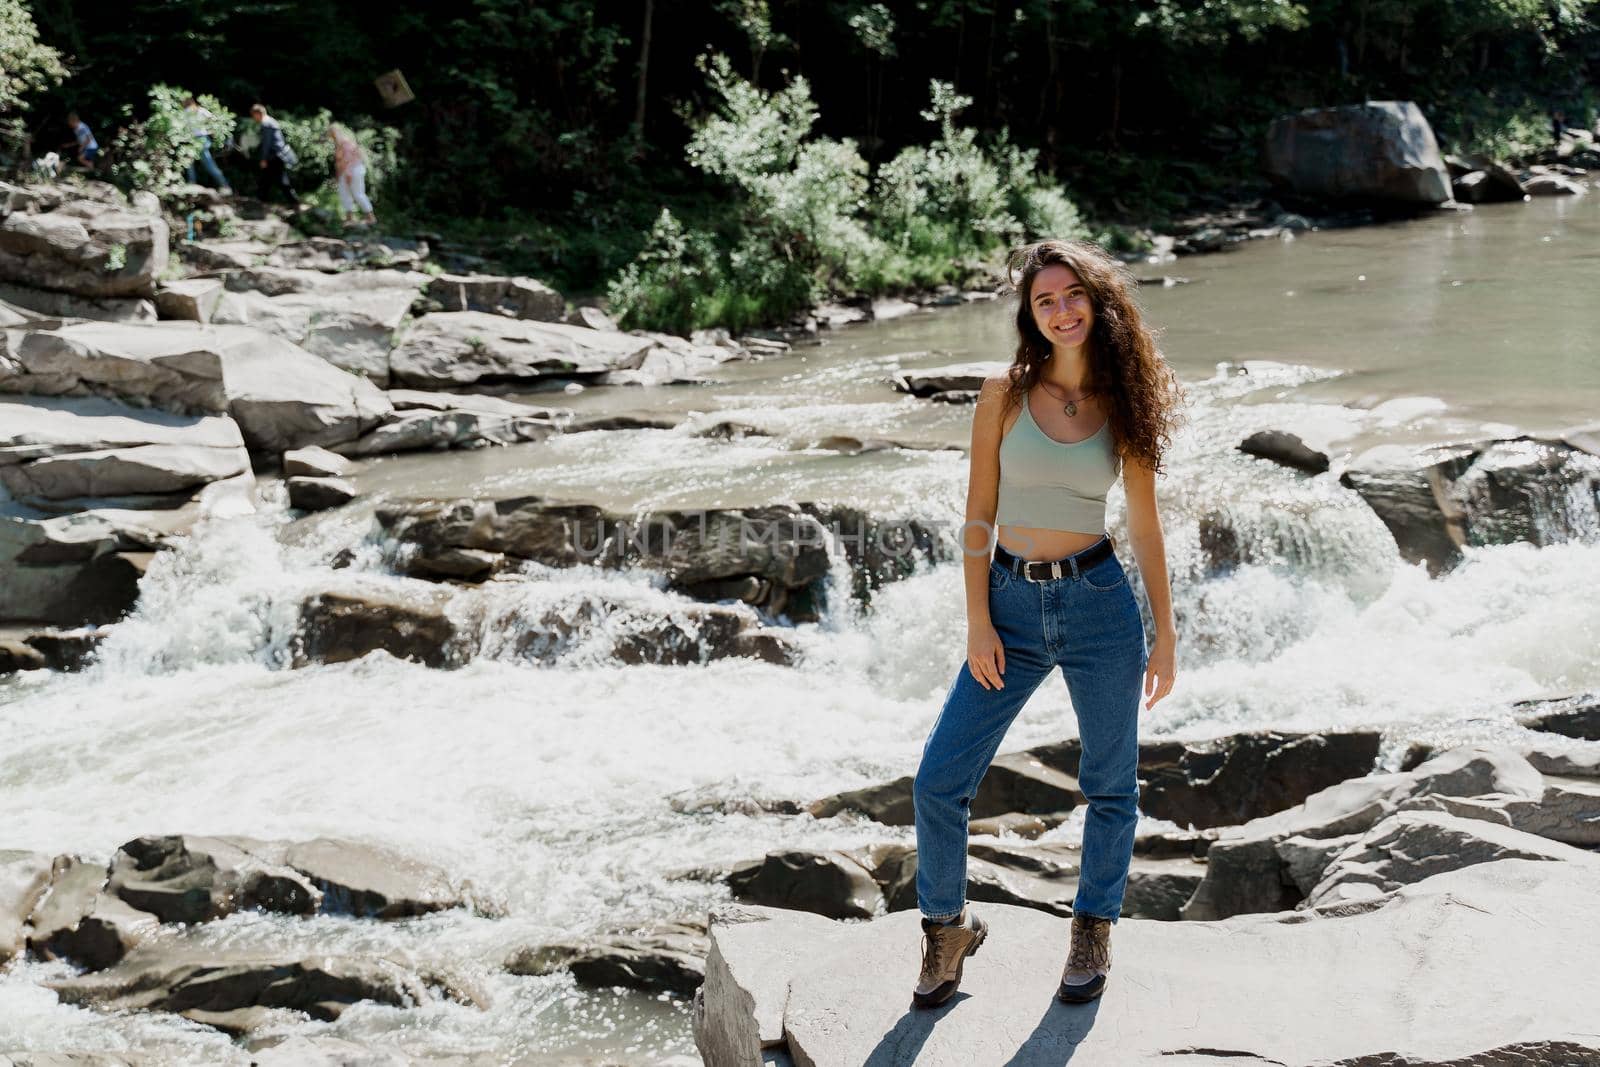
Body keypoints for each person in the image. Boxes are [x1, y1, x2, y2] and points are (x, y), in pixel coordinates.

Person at [911, 238, 1182, 1009]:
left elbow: (1147, 525)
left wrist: (1166, 632)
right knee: (938, 779)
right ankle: (944, 932)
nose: (1062, 311)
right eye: (1045, 301)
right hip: (1011, 608)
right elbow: (976, 515)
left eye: (1073, 297)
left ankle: (1091, 930)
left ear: (1098, 304)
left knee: (1109, 785)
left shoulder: (1125, 398)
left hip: (1100, 606)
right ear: (1030, 315)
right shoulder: (1003, 391)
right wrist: (977, 621)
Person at [328, 123, 376, 225]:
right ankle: (349, 218)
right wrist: (339, 176)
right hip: (346, 173)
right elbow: (339, 164)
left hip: (352, 171)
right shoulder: (339, 144)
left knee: (358, 194)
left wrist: (348, 174)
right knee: (345, 193)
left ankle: (371, 218)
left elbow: (349, 160)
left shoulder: (345, 143)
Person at [250, 103, 297, 205]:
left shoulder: (266, 124)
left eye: (253, 115)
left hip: (274, 156)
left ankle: (294, 202)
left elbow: (267, 143)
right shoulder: (271, 121)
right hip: (277, 155)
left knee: (281, 181)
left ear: (258, 114)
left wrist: (263, 159)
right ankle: (261, 199)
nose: (254, 118)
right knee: (266, 179)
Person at [183, 97, 231, 194]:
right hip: (203, 138)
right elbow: (214, 119)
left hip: (193, 139)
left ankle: (192, 183)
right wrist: (210, 130)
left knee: (190, 162)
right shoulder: (201, 110)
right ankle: (225, 185)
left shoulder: (185, 112)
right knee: (207, 163)